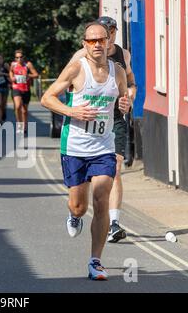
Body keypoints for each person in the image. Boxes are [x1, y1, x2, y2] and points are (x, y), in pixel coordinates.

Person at [41, 22, 131, 280]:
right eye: (91, 41)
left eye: (101, 40)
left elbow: (123, 100)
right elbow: (47, 98)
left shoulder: (118, 72)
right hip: (75, 147)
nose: (97, 45)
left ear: (108, 42)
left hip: (103, 146)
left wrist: (124, 103)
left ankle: (95, 261)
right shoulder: (76, 70)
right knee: (80, 206)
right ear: (84, 44)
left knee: (102, 198)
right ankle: (74, 214)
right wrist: (72, 111)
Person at [69, 16, 137, 243]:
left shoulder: (123, 55)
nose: (103, 40)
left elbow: (130, 82)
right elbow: (68, 84)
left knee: (115, 168)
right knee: (85, 187)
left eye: (110, 33)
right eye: (97, 36)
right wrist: (74, 109)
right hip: (85, 124)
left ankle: (114, 222)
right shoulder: (80, 58)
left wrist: (128, 97)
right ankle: (76, 211)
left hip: (114, 120)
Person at [9, 50, 39, 135]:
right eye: (17, 57)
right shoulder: (13, 64)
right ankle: (19, 124)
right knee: (17, 106)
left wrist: (28, 76)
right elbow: (11, 72)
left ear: (23, 57)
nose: (19, 59)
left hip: (25, 89)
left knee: (24, 110)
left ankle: (24, 126)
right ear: (15, 58)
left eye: (21, 57)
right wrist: (12, 78)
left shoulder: (28, 65)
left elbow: (36, 74)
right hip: (16, 88)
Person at [0, 54, 11, 124]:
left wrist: (3, 74)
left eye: (0, 58)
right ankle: (0, 120)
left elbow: (11, 74)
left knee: (4, 104)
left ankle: (3, 113)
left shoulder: (6, 65)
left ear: (3, 59)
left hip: (5, 87)